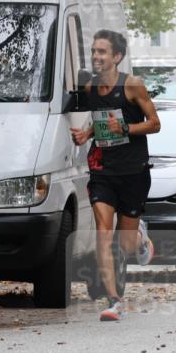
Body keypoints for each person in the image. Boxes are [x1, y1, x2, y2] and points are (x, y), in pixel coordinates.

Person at [70, 29, 160, 321]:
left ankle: (141, 238)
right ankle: (114, 301)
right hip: (103, 171)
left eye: (102, 52)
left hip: (133, 172)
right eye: (94, 51)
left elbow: (155, 124)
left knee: (126, 244)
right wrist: (86, 134)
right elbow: (100, 120)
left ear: (117, 57)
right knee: (103, 232)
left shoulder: (133, 86)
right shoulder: (89, 89)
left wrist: (128, 130)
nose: (96, 56)